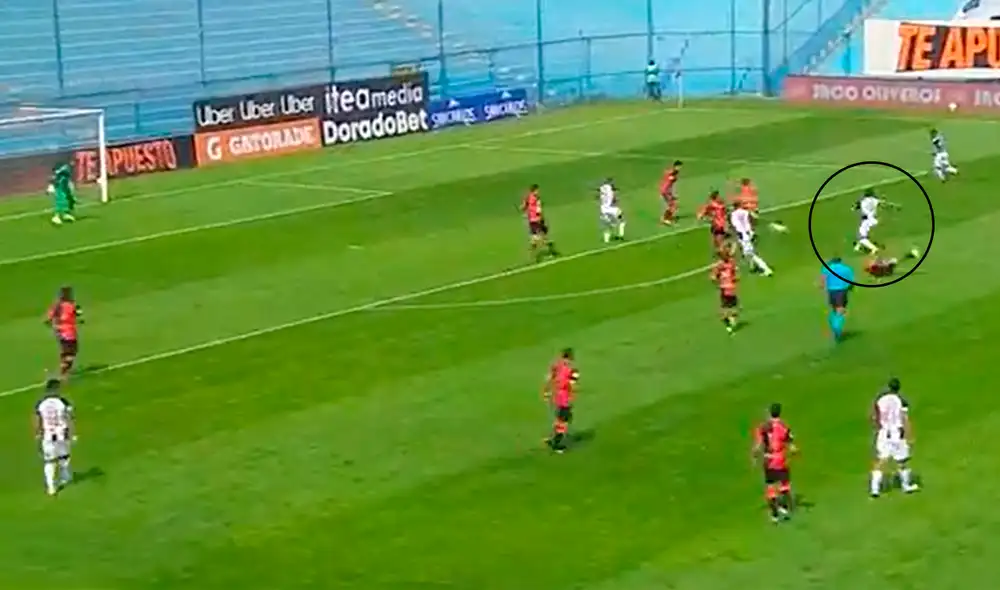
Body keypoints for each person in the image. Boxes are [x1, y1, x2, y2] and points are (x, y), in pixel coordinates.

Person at [870, 378, 919, 497]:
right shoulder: (901, 401)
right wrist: (910, 435)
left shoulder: (881, 399)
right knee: (902, 461)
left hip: (883, 433)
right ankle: (906, 486)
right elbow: (904, 419)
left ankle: (875, 489)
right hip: (897, 433)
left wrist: (878, 428)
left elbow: (874, 416)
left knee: (881, 460)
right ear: (899, 388)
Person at [752, 403, 797, 523]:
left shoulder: (763, 427)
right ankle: (786, 508)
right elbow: (791, 444)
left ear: (769, 413)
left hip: (768, 460)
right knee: (784, 485)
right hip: (781, 459)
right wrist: (794, 451)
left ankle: (774, 515)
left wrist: (755, 456)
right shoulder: (783, 426)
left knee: (771, 487)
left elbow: (758, 445)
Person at [35, 378, 75, 496]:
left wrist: (37, 433)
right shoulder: (62, 401)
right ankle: (64, 476)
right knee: (64, 456)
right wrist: (73, 432)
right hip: (62, 434)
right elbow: (70, 416)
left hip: (47, 436)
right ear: (56, 389)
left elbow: (37, 418)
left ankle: (51, 486)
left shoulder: (41, 403)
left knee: (50, 461)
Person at [820, 256, 854, 342]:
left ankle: (834, 325)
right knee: (841, 310)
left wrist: (823, 288)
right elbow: (851, 281)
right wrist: (851, 288)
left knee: (834, 309)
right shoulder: (846, 269)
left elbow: (823, 278)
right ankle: (837, 329)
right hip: (841, 291)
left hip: (831, 291)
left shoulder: (827, 268)